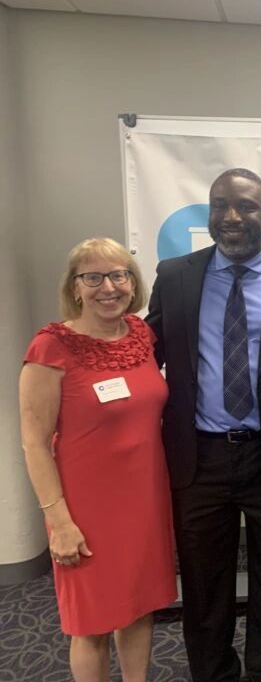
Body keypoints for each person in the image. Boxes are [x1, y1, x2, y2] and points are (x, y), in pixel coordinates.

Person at [146, 168, 261, 682]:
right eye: (220, 205)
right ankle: (214, 673)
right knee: (203, 581)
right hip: (197, 457)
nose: (231, 217)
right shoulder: (175, 275)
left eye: (245, 207)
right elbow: (144, 352)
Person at [19, 237, 176, 682]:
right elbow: (33, 442)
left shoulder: (142, 335)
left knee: (138, 607)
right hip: (85, 509)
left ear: (132, 282)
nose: (107, 286)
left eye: (118, 275)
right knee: (90, 624)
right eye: (93, 277)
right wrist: (60, 522)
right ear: (74, 287)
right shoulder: (51, 348)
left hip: (144, 500)